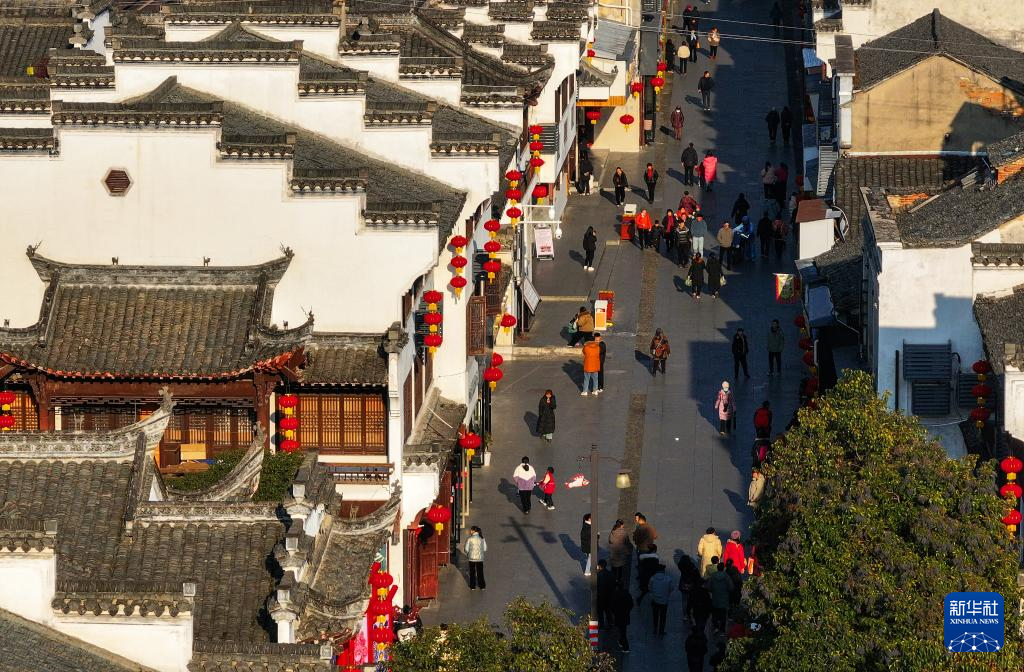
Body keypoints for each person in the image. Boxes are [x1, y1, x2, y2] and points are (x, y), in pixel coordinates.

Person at [707, 563, 733, 635]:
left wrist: (713, 591)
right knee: (723, 615)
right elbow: (731, 587)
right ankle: (722, 629)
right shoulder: (726, 576)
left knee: (715, 614)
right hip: (724, 599)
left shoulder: (713, 576)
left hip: (715, 598)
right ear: (723, 568)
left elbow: (708, 587)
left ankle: (716, 627)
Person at [648, 564, 673, 635]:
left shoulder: (652, 579)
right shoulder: (668, 579)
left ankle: (655, 629)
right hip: (664, 601)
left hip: (655, 600)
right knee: (663, 616)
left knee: (655, 616)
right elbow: (671, 588)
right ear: (663, 570)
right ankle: (661, 631)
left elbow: (650, 588)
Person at [676, 553, 702, 621]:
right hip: (692, 586)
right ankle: (691, 614)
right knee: (692, 600)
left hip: (683, 585)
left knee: (684, 601)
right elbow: (698, 576)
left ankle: (685, 615)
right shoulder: (692, 567)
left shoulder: (681, 567)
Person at [608, 519, 633, 585]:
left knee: (613, 568)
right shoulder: (624, 533)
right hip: (621, 554)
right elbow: (627, 542)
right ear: (621, 525)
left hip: (613, 553)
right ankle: (618, 580)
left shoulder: (612, 531)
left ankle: (613, 580)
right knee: (620, 569)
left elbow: (609, 540)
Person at [612, 581, 633, 653]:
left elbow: (613, 606)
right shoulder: (627, 594)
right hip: (625, 615)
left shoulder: (615, 595)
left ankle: (626, 648)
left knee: (622, 632)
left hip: (618, 615)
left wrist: (615, 612)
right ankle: (621, 642)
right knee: (623, 630)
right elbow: (631, 604)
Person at [596, 559, 614, 627]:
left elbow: (597, 586)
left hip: (601, 596)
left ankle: (602, 624)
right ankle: (610, 623)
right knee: (608, 610)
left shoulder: (599, 575)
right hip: (609, 596)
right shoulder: (610, 573)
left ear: (600, 566)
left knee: (600, 611)